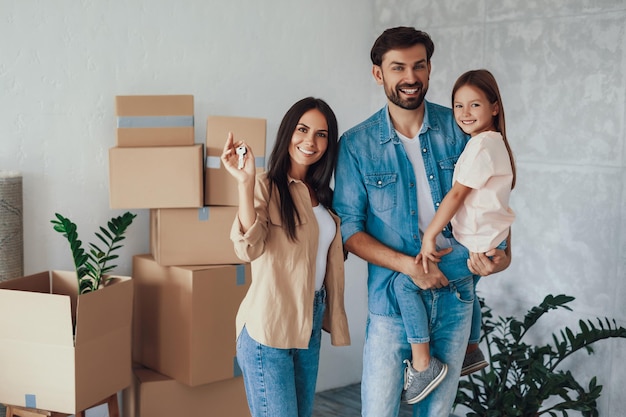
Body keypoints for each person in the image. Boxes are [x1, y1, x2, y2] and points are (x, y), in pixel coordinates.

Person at [332, 27, 511, 417]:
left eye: (419, 66)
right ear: (379, 74)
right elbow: (349, 230)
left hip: (455, 297)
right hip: (390, 306)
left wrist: (502, 256)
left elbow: (490, 196)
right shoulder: (356, 145)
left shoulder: (461, 127)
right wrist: (410, 268)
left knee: (437, 413)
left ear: (429, 69)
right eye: (398, 68)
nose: (410, 77)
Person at [221, 97, 351, 417]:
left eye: (321, 134)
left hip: (309, 320)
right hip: (269, 325)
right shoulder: (266, 185)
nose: (310, 141)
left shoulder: (324, 196)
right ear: (287, 132)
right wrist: (245, 182)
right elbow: (247, 248)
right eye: (302, 129)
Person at [394, 68, 517, 401]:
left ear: (494, 107)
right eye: (458, 106)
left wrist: (429, 236)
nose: (464, 114)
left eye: (474, 105)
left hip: (476, 244)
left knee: (404, 282)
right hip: (485, 241)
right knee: (469, 289)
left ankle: (423, 366)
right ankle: (471, 350)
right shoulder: (492, 143)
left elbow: (457, 195)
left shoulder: (481, 147)